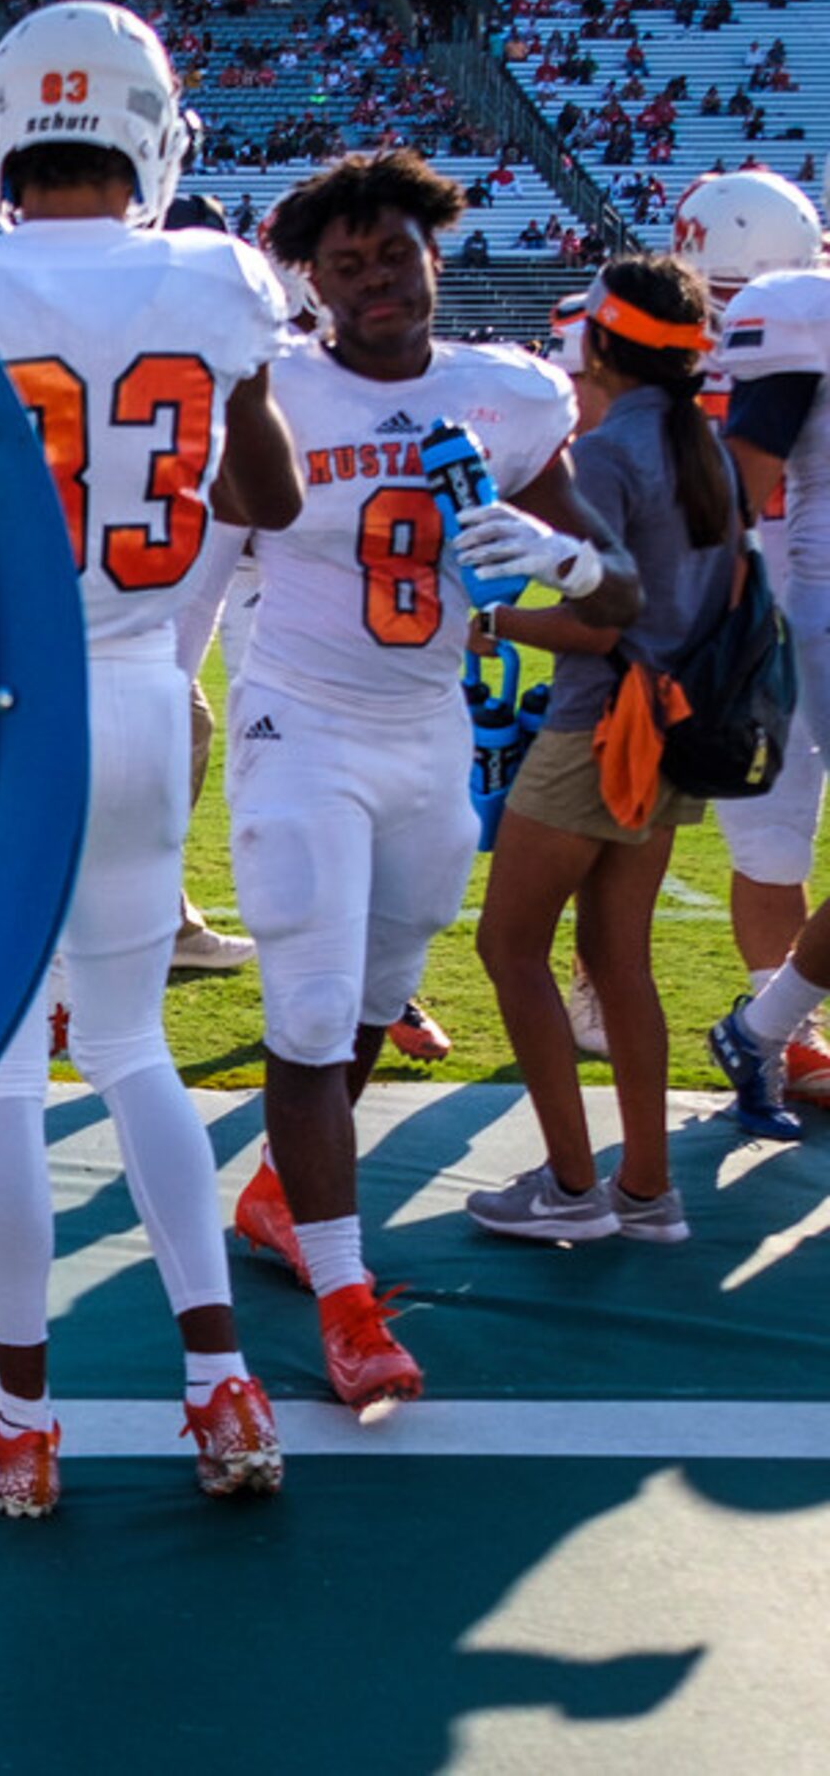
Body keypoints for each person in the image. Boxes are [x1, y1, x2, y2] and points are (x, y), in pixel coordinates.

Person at [0, 2, 306, 1516]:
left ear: (3, 128)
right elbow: (261, 488)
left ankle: (23, 1417)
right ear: (150, 126)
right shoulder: (216, 277)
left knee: (8, 1066)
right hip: (144, 689)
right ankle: (222, 1386)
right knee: (133, 1044)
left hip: (4, 700)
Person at [242, 153, 633, 1376]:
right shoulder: (279, 392)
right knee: (307, 1011)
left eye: (391, 257)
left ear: (432, 260)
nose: (373, 283)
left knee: (368, 1002)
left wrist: (557, 558)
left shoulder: (505, 397)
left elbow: (620, 591)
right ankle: (348, 1308)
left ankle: (275, 1199)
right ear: (310, 282)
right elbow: (205, 555)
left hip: (426, 733)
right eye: (345, 264)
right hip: (297, 725)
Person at [472, 256, 729, 1239]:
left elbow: (595, 622)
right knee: (618, 957)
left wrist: (496, 628)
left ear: (599, 342)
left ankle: (572, 1189)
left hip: (595, 726)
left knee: (507, 945)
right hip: (667, 728)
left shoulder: (611, 452)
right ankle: (644, 1189)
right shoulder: (696, 439)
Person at [668, 171, 830, 1114]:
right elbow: (740, 476)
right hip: (788, 603)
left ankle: (771, 1025)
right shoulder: (791, 310)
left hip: (766, 598)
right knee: (771, 843)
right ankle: (781, 1032)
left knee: (771, 842)